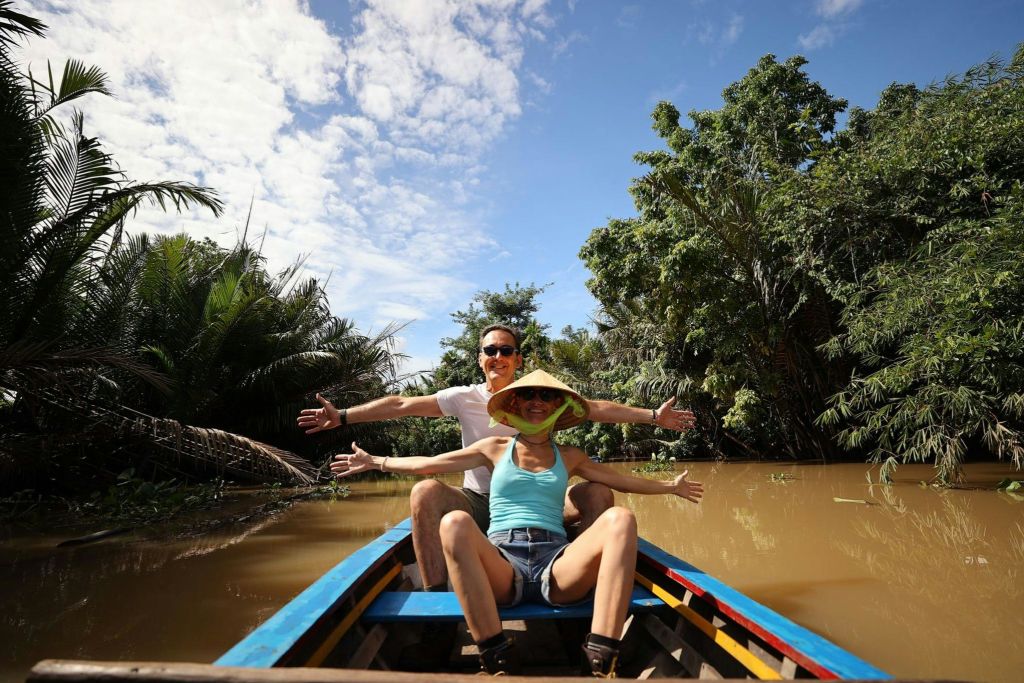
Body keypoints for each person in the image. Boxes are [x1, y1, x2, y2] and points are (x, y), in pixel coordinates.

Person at [332, 370, 704, 677]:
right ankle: (495, 654)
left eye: (546, 396)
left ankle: (601, 656)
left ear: (559, 406)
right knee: (456, 523)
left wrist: (670, 486)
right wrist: (376, 462)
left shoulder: (571, 455)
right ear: (516, 406)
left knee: (620, 517)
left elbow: (623, 481)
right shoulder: (493, 446)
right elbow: (429, 463)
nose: (538, 402)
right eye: (530, 397)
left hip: (556, 566)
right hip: (502, 566)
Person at [299, 323, 697, 591]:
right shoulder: (463, 398)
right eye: (490, 350)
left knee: (597, 493)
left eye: (506, 350)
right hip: (478, 503)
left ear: (518, 359)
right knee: (425, 493)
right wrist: (345, 416)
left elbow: (596, 407)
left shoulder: (539, 396)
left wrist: (652, 417)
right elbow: (401, 402)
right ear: (480, 358)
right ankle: (439, 599)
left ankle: (586, 589)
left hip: (541, 505)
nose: (498, 356)